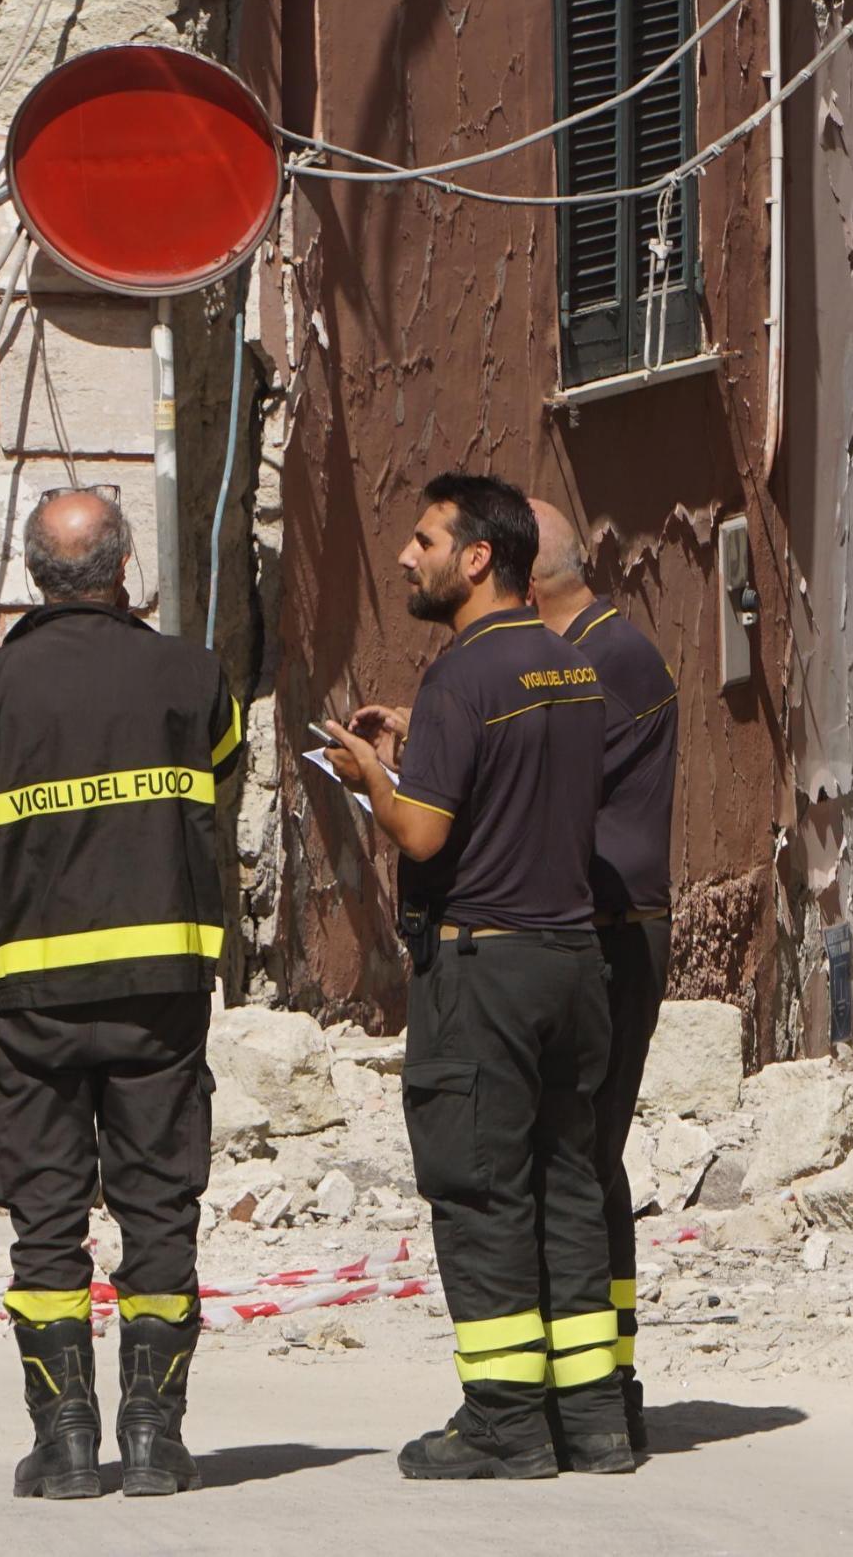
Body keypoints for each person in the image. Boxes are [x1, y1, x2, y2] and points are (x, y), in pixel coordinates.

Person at [0, 486, 243, 1502]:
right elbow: (220, 781)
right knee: (159, 1206)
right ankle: (154, 1437)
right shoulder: (193, 678)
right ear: (123, 566)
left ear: (33, 573)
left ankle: (64, 1443)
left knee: (47, 1216)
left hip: (35, 999)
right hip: (161, 992)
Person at [321, 473, 628, 1480]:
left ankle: (502, 1420)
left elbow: (423, 831)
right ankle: (592, 1421)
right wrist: (422, 750)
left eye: (424, 541)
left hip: (483, 969)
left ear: (478, 557)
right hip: (573, 963)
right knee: (570, 1182)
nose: (408, 557)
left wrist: (369, 776)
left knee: (483, 1188)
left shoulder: (464, 677)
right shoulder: (569, 666)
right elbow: (519, 790)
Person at [527, 498, 682, 1457]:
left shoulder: (602, 657)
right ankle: (592, 1374)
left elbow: (537, 776)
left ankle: (600, 1382)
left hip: (612, 933)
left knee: (581, 1160)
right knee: (577, 1158)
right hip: (591, 928)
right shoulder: (577, 658)